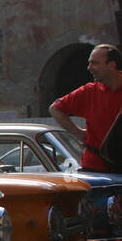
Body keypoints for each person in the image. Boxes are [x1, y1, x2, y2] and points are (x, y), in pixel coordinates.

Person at [50, 44, 122, 172]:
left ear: (112, 65)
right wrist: (78, 132)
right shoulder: (89, 92)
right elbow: (55, 109)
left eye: (94, 63)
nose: (89, 68)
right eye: (89, 63)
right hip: (95, 166)